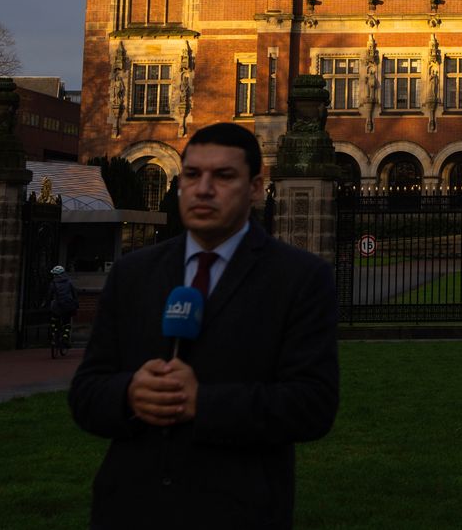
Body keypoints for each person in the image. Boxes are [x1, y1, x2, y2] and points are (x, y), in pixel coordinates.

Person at [70, 123, 338, 530]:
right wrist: (128, 394)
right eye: (192, 175)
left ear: (255, 188)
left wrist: (205, 403)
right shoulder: (133, 273)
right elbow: (86, 391)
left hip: (237, 511)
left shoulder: (299, 278)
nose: (204, 189)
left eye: (224, 176)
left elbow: (313, 405)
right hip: (128, 509)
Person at [46, 265, 79, 359]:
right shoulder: (69, 282)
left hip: (56, 306)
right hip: (68, 306)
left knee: (54, 319)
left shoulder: (53, 283)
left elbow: (49, 295)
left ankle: (53, 334)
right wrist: (76, 304)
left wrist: (47, 303)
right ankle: (65, 337)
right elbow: (74, 294)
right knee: (67, 322)